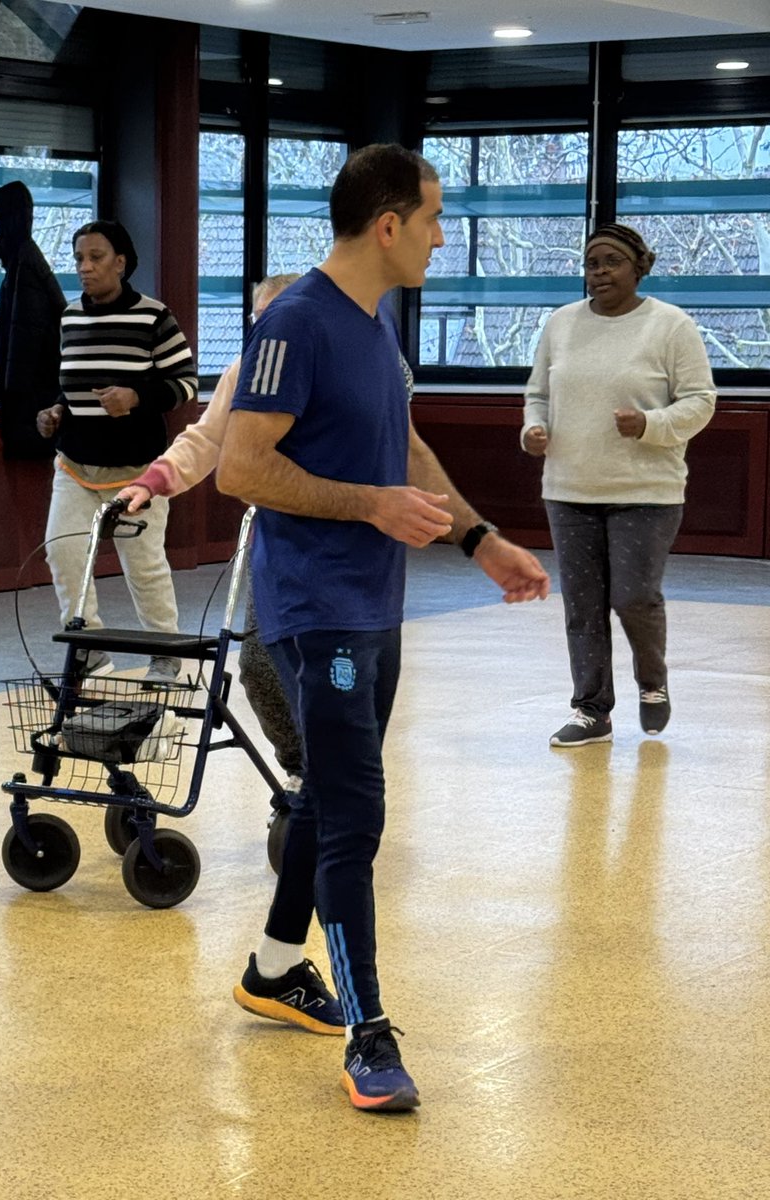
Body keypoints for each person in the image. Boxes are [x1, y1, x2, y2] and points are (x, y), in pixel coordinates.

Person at [215, 144, 550, 1113]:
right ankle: (367, 1036)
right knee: (356, 818)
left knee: (327, 795)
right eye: (436, 219)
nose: (446, 237)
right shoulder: (294, 324)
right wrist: (368, 508)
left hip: (376, 603)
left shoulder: (374, 325)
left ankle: (276, 968)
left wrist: (480, 539)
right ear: (389, 224)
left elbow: (402, 444)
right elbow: (241, 466)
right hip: (314, 611)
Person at [522, 223, 715, 748]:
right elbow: (537, 393)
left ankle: (652, 684)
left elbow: (701, 400)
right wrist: (532, 429)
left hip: (645, 491)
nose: (598, 272)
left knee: (633, 596)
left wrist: (651, 425)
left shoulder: (671, 326)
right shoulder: (561, 324)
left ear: (638, 266)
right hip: (569, 488)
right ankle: (591, 711)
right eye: (590, 264)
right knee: (582, 605)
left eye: (610, 262)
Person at [116, 273, 304, 789]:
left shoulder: (340, 371)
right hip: (274, 539)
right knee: (260, 669)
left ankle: (340, 780)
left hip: (338, 545)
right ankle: (302, 774)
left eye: (276, 318)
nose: (265, 329)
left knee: (329, 674)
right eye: (258, 320)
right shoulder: (245, 372)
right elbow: (204, 439)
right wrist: (153, 482)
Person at [36, 219, 198, 683]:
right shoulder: (69, 317)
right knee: (63, 552)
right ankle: (87, 647)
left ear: (121, 263)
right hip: (75, 463)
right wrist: (54, 413)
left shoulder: (154, 317)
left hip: (138, 469)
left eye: (96, 258)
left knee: (143, 564)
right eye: (79, 259)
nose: (85, 268)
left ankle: (165, 652)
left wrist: (136, 397)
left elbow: (185, 384)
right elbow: (70, 390)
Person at [0, 180, 66, 460]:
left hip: (31, 402)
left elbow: (25, 343)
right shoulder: (27, 261)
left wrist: (17, 407)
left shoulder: (26, 265)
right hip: (34, 397)